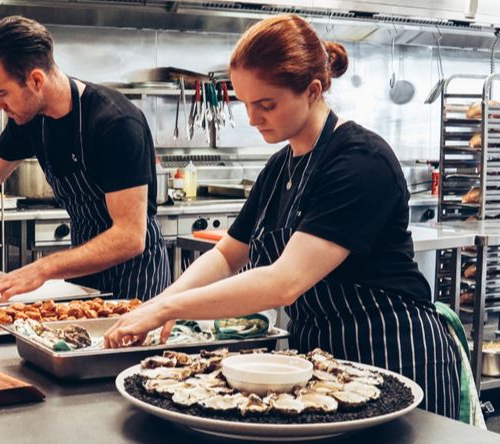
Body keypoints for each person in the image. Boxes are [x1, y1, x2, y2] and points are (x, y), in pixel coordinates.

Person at [105, 14, 460, 418]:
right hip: (323, 365)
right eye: (245, 104)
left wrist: (171, 309)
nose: (253, 119)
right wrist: (160, 302)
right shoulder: (279, 168)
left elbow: (284, 282)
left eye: (266, 105)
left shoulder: (360, 160)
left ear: (311, 91)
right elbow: (226, 256)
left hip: (395, 353)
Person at [0, 16, 170, 303]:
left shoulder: (115, 123)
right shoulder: (31, 120)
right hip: (83, 274)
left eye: (2, 93)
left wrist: (42, 269)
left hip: (137, 280)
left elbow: (129, 237)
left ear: (36, 80)